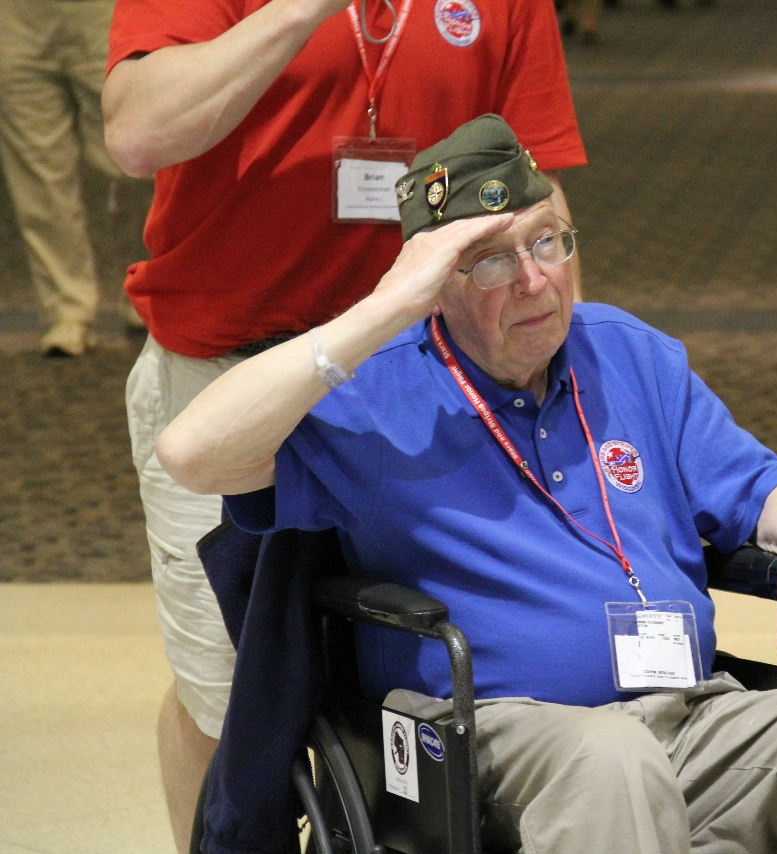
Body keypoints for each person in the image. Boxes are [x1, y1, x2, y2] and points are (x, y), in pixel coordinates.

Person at [157, 114, 777, 854]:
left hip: (688, 713)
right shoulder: (369, 398)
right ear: (435, 283)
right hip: (491, 738)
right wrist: (386, 306)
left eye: (547, 243)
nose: (534, 281)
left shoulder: (629, 354)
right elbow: (192, 452)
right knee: (614, 761)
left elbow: (770, 489)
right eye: (491, 258)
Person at [102, 1, 587, 848]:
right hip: (226, 375)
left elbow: (534, 179)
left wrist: (563, 353)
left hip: (420, 387)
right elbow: (139, 132)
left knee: (433, 672)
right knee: (228, 695)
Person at [0, 0, 136, 356]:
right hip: (15, 19)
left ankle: (149, 286)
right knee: (37, 171)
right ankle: (66, 310)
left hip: (103, 12)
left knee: (136, 155)